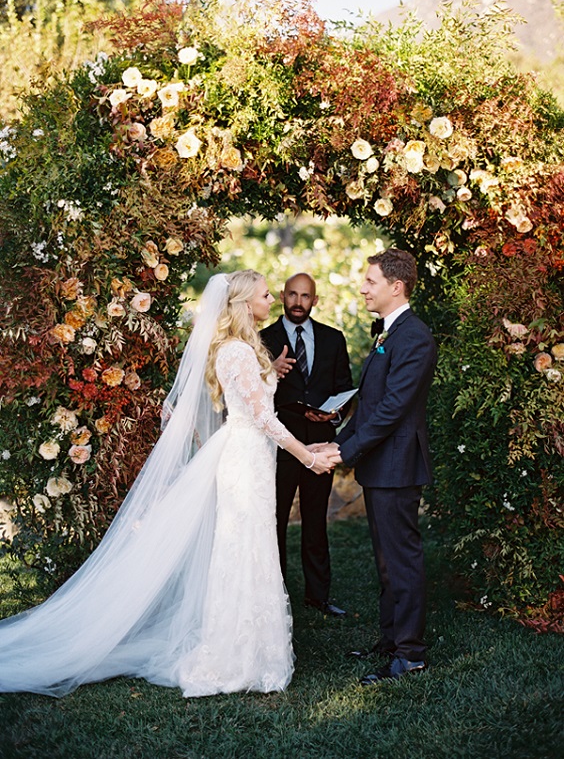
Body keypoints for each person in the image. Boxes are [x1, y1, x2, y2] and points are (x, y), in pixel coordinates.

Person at [0, 270, 339, 698]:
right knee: (242, 547)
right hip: (244, 460)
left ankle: (253, 651)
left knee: (253, 546)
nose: (272, 299)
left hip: (253, 458)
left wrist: (270, 373)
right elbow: (263, 419)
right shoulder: (235, 351)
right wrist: (308, 456)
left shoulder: (243, 349)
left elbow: (253, 400)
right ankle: (232, 656)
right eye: (266, 294)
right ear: (242, 304)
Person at [314, 249, 437, 682]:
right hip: (382, 463)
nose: (363, 288)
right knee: (385, 560)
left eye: (370, 281)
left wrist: (344, 453)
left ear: (395, 286)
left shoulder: (414, 336)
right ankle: (391, 641)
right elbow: (368, 406)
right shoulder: (390, 332)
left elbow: (392, 409)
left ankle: (411, 654)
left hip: (398, 464)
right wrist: (336, 442)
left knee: (401, 559)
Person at [261, 273, 353, 618]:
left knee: (316, 520)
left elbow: (344, 386)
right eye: (292, 295)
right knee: (274, 521)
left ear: (315, 300)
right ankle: (275, 594)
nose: (298, 302)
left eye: (306, 296)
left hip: (318, 443)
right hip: (278, 446)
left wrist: (331, 416)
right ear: (283, 296)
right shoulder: (262, 340)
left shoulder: (333, 338)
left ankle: (318, 596)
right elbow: (254, 396)